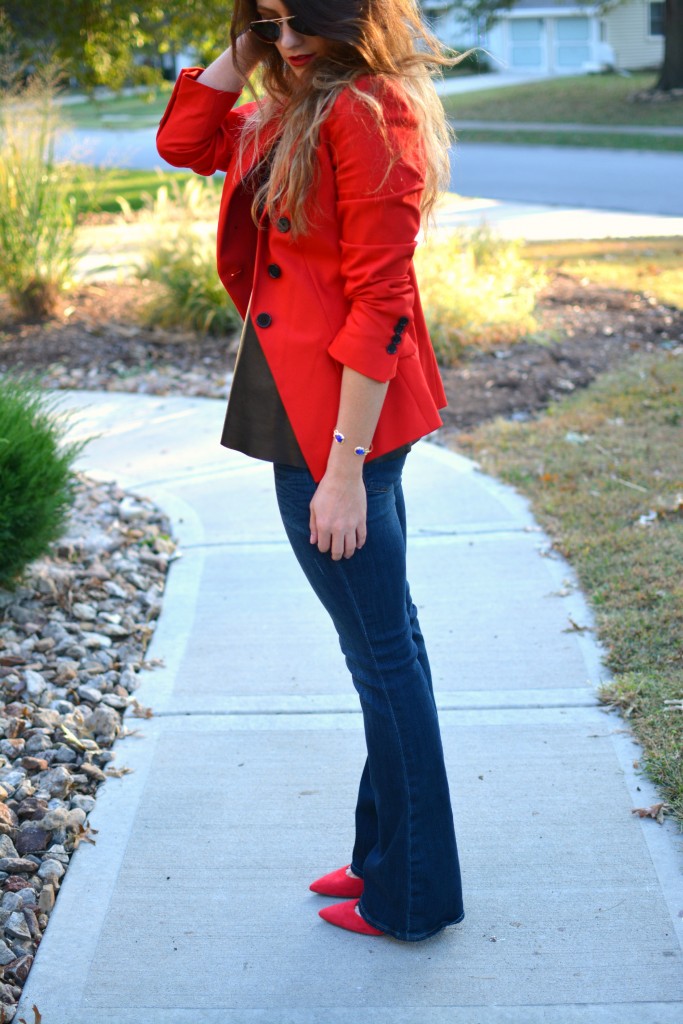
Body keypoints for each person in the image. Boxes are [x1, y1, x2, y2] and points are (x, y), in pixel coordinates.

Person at [156, 0, 464, 942]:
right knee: (382, 648)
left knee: (382, 656)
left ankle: (410, 895)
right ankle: (384, 856)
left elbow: (381, 301)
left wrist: (343, 470)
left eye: (300, 26)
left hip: (340, 425)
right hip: (308, 404)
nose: (284, 46)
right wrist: (243, 44)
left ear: (351, 20)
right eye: (270, 24)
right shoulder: (295, 105)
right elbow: (184, 141)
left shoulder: (371, 114)